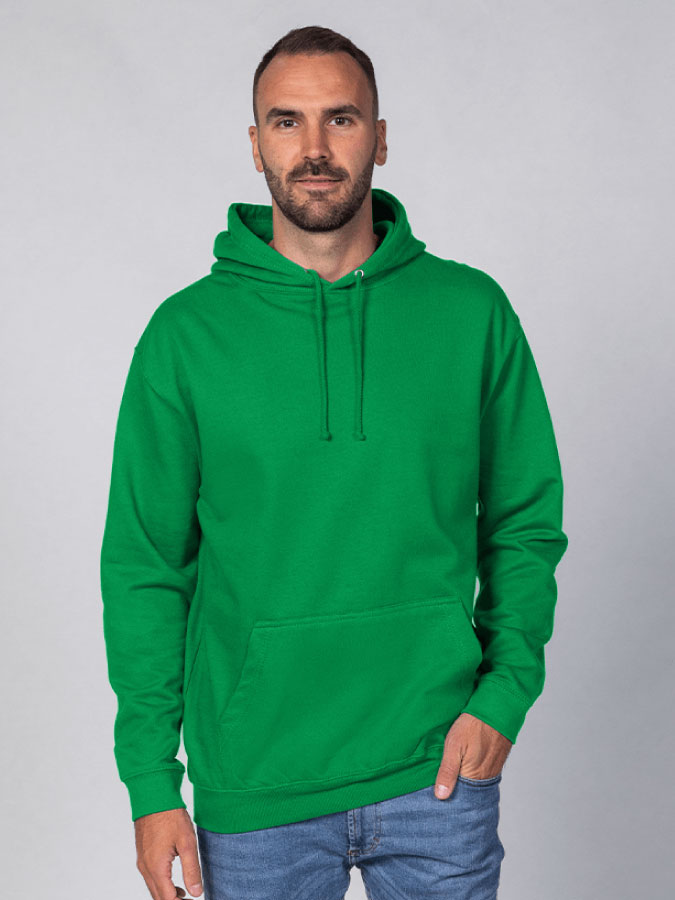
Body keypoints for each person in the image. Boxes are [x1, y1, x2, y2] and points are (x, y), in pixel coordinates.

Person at [100, 24, 569, 900]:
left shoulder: (470, 312)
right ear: (255, 145)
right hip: (256, 787)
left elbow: (524, 523)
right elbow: (146, 567)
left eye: (341, 119)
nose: (314, 148)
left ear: (379, 138)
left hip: (436, 772)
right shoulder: (185, 336)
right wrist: (151, 782)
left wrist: (503, 696)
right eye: (287, 122)